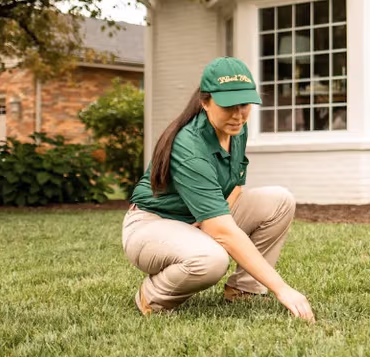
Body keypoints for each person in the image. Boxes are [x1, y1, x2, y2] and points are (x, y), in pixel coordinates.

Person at [122, 57, 315, 322]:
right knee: (211, 259)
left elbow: (235, 185)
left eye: (244, 105)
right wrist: (282, 289)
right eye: (228, 106)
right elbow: (223, 232)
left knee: (279, 201)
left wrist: (211, 220)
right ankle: (152, 297)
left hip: (197, 219)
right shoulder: (189, 146)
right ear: (205, 102)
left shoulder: (236, 129)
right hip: (152, 224)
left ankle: (244, 289)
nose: (238, 115)